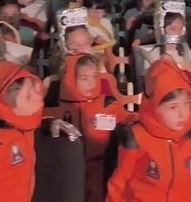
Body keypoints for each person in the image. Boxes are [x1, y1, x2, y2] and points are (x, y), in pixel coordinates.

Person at [0, 61, 80, 201]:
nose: (37, 97)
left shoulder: (20, 129)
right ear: (9, 106)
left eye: (34, 88)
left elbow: (30, 123)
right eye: (28, 96)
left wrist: (49, 122)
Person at [106, 59, 191, 201]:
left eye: (186, 104)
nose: (182, 114)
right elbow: (120, 184)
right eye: (173, 107)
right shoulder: (137, 138)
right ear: (154, 108)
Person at [57, 54, 138, 202]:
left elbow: (128, 117)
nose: (91, 83)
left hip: (101, 171)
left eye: (94, 77)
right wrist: (50, 122)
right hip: (66, 173)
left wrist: (138, 120)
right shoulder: (55, 107)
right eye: (84, 78)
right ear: (70, 79)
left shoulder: (107, 104)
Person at [137, 0, 191, 79]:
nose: (177, 33)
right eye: (173, 29)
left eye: (180, 29)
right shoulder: (149, 54)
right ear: (161, 29)